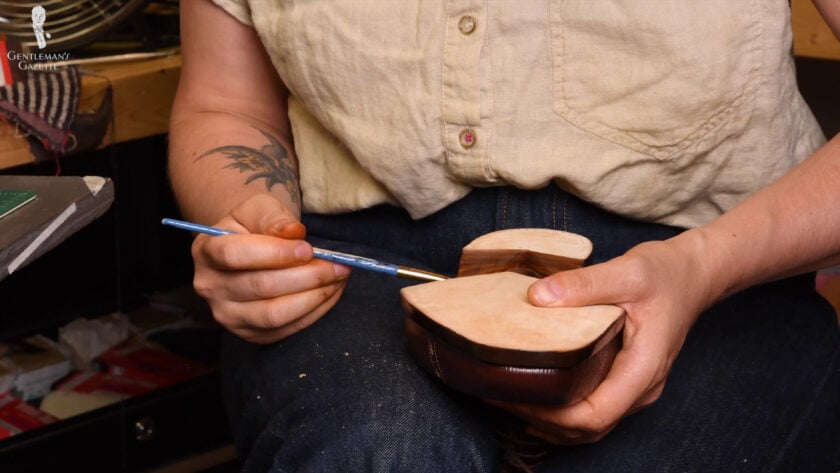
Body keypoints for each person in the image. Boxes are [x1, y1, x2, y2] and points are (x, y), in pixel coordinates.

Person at [168, 1, 840, 471]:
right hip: (368, 274)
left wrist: (701, 267)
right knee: (376, 451)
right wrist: (250, 219)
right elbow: (225, 104)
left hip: (715, 268)